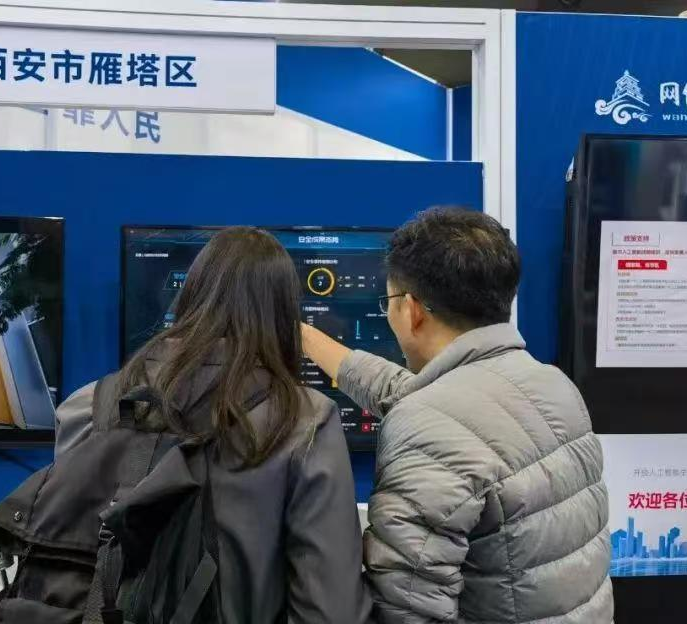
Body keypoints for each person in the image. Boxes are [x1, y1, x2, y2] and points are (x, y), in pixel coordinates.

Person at [302, 208, 613, 624]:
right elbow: (411, 393)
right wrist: (306, 337)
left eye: (389, 301)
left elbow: (408, 607)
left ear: (412, 310)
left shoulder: (427, 422)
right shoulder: (551, 385)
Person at [56, 226, 372, 623]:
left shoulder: (88, 407)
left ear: (190, 296)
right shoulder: (304, 421)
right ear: (283, 316)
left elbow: (66, 560)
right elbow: (331, 611)